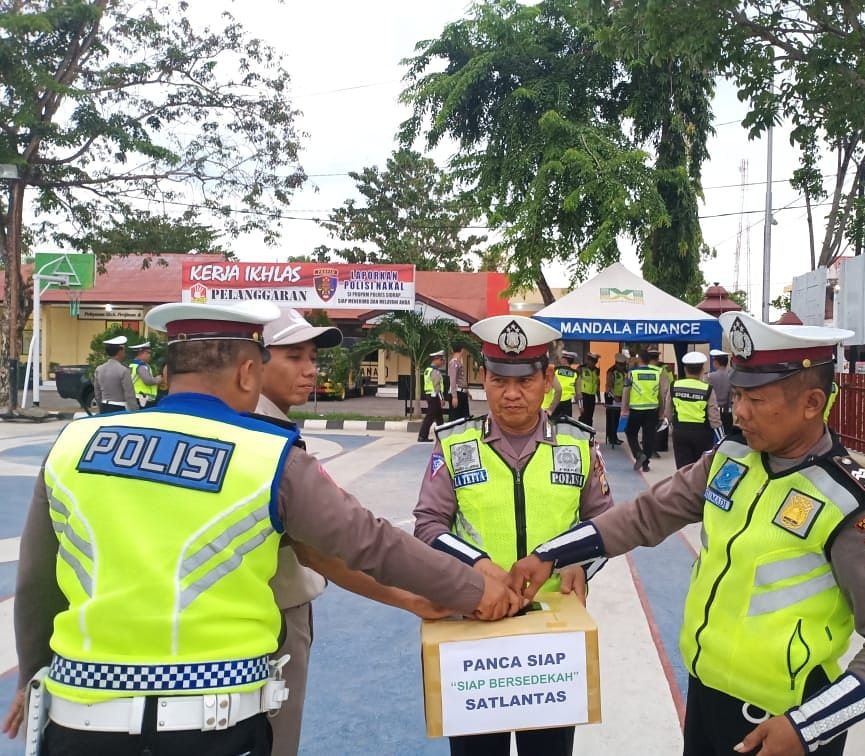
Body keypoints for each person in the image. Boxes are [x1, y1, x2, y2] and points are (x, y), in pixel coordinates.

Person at [3, 301, 521, 756]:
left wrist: (30, 678)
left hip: (81, 718)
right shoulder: (266, 456)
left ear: (167, 371)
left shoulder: (75, 445)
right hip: (213, 721)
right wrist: (473, 588)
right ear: (249, 372)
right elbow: (369, 542)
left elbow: (35, 586)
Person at [512, 311, 865, 756]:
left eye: (756, 399)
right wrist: (551, 553)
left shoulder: (854, 507)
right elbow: (647, 514)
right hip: (706, 697)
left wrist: (808, 727)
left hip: (785, 725)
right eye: (739, 395)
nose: (739, 411)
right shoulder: (730, 459)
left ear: (811, 403)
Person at [413, 315, 614, 756]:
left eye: (524, 380)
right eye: (499, 379)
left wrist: (580, 562)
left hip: (554, 635)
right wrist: (477, 567)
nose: (511, 393)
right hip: (472, 625)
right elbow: (428, 525)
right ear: (484, 378)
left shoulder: (578, 445)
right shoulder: (454, 442)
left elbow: (605, 524)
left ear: (547, 380)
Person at [256, 307, 451, 756]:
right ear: (251, 363)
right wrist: (424, 595)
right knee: (273, 739)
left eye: (312, 357)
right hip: (273, 620)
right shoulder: (266, 445)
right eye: (294, 356)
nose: (311, 370)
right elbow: (335, 548)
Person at [670, 351, 723, 468]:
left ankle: (683, 486)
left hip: (680, 432)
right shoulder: (707, 389)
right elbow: (714, 416)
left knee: (683, 469)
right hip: (702, 434)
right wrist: (721, 438)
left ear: (685, 369)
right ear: (702, 370)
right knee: (700, 469)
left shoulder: (674, 386)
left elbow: (667, 412)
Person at [621, 348, 668, 472]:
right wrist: (661, 412)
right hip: (652, 409)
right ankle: (646, 463)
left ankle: (638, 454)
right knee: (649, 436)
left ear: (640, 359)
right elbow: (661, 395)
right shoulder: (656, 374)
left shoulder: (632, 373)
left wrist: (624, 409)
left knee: (630, 432)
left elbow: (626, 392)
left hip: (636, 409)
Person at [93, 335, 139, 413]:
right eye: (124, 350)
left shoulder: (99, 369)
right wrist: (135, 411)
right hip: (119, 408)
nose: (125, 352)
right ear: (120, 351)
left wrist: (100, 408)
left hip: (104, 406)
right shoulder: (123, 370)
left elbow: (97, 393)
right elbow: (129, 395)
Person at [418, 349, 446, 442]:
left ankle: (442, 436)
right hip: (435, 396)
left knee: (439, 417)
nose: (443, 362)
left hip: (430, 395)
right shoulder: (434, 371)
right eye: (441, 360)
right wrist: (442, 398)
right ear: (436, 359)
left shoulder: (427, 370)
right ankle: (422, 436)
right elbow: (437, 385)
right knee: (430, 417)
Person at [604, 352, 628, 446]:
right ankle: (612, 438)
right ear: (617, 363)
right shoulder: (612, 372)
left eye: (623, 365)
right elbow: (608, 387)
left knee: (617, 418)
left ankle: (614, 436)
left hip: (621, 398)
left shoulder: (625, 372)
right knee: (611, 419)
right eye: (621, 365)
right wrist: (614, 397)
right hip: (612, 398)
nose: (622, 367)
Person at [708, 349, 734, 432]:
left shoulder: (710, 377)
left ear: (716, 362)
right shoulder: (732, 375)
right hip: (728, 412)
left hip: (713, 412)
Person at [128, 341, 161, 408]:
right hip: (142, 398)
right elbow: (148, 381)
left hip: (138, 397)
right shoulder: (140, 366)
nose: (150, 355)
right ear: (140, 353)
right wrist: (158, 379)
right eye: (148, 353)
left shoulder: (133, 365)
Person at [552, 350, 580, 420]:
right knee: (567, 425)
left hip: (554, 401)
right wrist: (580, 407)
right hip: (567, 403)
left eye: (562, 358)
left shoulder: (555, 370)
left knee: (552, 422)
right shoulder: (576, 373)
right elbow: (579, 394)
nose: (560, 360)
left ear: (565, 360)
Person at [447, 341, 470, 421]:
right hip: (457, 393)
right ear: (462, 350)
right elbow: (452, 380)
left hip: (462, 393)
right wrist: (454, 397)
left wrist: (467, 392)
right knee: (456, 419)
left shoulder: (459, 362)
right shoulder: (454, 363)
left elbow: (462, 380)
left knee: (464, 418)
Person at [578, 352, 601, 426]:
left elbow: (597, 384)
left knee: (590, 416)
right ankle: (581, 433)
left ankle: (589, 433)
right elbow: (576, 382)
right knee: (583, 414)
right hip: (583, 395)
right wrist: (577, 394)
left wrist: (599, 397)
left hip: (592, 396)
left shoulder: (596, 371)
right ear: (588, 360)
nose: (593, 363)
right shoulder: (581, 369)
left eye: (595, 361)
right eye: (591, 361)